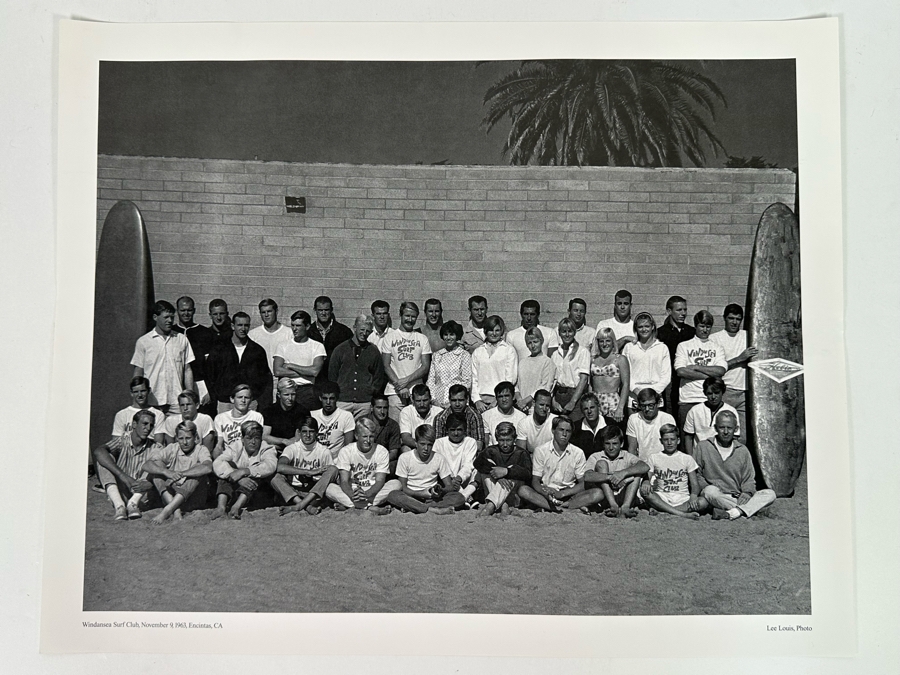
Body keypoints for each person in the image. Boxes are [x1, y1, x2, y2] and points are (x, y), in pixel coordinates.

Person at [694, 411, 776, 520]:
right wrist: (706, 487)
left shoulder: (742, 450)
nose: (726, 432)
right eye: (722, 427)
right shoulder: (703, 447)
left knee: (770, 494)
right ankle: (749, 510)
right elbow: (697, 475)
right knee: (710, 491)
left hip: (737, 496)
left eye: (730, 428)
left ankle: (734, 512)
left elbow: (749, 479)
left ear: (736, 429)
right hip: (714, 494)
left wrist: (747, 493)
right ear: (715, 428)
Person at [517, 416, 601, 513]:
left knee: (598, 493)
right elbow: (535, 480)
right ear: (553, 430)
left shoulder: (578, 452)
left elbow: (582, 483)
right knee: (523, 490)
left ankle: (556, 507)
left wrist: (563, 493)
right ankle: (564, 509)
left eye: (568, 431)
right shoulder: (540, 451)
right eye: (561, 430)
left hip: (569, 494)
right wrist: (545, 492)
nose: (564, 434)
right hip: (546, 493)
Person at [130, 300, 195, 414]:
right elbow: (138, 371)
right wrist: (138, 397)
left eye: (171, 317)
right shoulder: (144, 341)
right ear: (155, 317)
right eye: (166, 317)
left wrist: (189, 393)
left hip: (176, 401)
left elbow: (187, 369)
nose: (170, 320)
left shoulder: (181, 339)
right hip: (152, 401)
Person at [92, 409, 159, 520]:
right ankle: (120, 506)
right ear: (134, 424)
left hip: (141, 495)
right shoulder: (123, 441)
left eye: (151, 425)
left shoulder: (154, 446)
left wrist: (150, 484)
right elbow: (98, 451)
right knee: (105, 459)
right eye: (145, 424)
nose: (148, 428)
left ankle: (133, 504)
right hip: (121, 490)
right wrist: (123, 476)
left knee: (156, 459)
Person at [324, 418, 401, 513]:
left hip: (373, 491)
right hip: (353, 490)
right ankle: (370, 507)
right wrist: (352, 495)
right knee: (329, 488)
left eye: (371, 437)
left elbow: (380, 481)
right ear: (356, 436)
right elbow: (344, 481)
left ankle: (350, 505)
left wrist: (366, 494)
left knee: (396, 484)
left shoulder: (382, 451)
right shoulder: (346, 451)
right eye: (364, 436)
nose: (368, 440)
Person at [143, 421, 213, 524]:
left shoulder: (201, 449)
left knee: (198, 468)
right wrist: (165, 472)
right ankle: (175, 510)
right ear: (176, 438)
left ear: (195, 437)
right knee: (157, 465)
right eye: (181, 438)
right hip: (171, 497)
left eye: (188, 438)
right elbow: (146, 465)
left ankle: (166, 511)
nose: (184, 442)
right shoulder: (172, 448)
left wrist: (181, 474)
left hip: (193, 499)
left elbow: (207, 468)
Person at [202, 311, 271, 414]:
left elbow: (264, 378)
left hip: (249, 403)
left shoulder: (257, 351)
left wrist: (254, 396)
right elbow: (210, 374)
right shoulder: (220, 349)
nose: (243, 329)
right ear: (232, 326)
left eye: (246, 325)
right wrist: (217, 395)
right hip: (225, 402)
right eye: (239, 325)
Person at [387, 424, 465, 514]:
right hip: (411, 495)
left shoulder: (439, 458)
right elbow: (403, 487)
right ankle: (432, 509)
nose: (426, 448)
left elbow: (449, 486)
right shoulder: (405, 457)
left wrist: (441, 490)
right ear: (416, 443)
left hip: (432, 498)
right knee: (393, 495)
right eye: (422, 444)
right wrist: (420, 493)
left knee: (459, 498)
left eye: (429, 445)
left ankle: (418, 508)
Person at [271, 416, 339, 516]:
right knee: (274, 477)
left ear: (316, 433)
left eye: (311, 432)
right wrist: (308, 472)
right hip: (294, 492)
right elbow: (280, 467)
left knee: (333, 469)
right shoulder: (292, 448)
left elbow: (330, 476)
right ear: (299, 433)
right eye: (304, 432)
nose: (307, 435)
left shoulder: (324, 451)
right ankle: (304, 506)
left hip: (314, 494)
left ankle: (300, 505)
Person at [211, 420, 278, 520]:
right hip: (237, 487)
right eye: (249, 438)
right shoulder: (236, 446)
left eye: (257, 438)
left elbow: (270, 466)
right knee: (226, 469)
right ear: (242, 439)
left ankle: (236, 507)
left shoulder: (266, 448)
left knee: (256, 472)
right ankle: (221, 507)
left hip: (258, 492)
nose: (253, 442)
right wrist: (237, 476)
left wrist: (244, 471)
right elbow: (218, 462)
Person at [674, 310, 727, 430]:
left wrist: (697, 367)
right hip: (688, 399)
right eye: (702, 326)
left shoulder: (717, 348)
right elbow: (681, 371)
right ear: (696, 326)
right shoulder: (684, 346)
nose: (705, 330)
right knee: (687, 438)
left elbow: (721, 371)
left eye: (708, 326)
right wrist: (711, 377)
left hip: (709, 400)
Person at [641, 424, 708, 519]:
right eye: (665, 440)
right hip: (662, 497)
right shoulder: (654, 457)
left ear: (678, 440)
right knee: (644, 492)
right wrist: (646, 482)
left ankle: (663, 511)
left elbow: (695, 484)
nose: (669, 443)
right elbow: (647, 476)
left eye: (672, 439)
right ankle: (682, 514)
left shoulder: (686, 458)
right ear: (661, 441)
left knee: (703, 502)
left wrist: (693, 496)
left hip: (682, 497)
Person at [710, 303, 758, 436]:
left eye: (738, 319)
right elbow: (715, 369)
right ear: (724, 318)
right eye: (731, 318)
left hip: (745, 392)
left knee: (742, 436)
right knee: (722, 432)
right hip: (725, 390)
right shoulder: (715, 338)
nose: (734, 322)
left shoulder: (749, 336)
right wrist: (739, 358)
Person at [380, 301, 432, 421]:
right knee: (396, 428)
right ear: (401, 315)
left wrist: (406, 381)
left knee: (417, 426)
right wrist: (400, 386)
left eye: (413, 317)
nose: (410, 319)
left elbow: (425, 366)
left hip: (417, 392)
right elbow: (386, 365)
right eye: (407, 316)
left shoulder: (422, 338)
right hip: (394, 392)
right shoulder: (389, 338)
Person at [328, 314, 386, 420]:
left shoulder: (373, 351)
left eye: (368, 331)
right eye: (362, 329)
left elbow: (378, 376)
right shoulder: (340, 349)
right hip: (343, 401)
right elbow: (332, 376)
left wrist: (371, 391)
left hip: (364, 402)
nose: (364, 334)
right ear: (355, 328)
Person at [583, 426, 647, 518]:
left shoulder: (626, 455)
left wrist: (622, 474)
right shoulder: (596, 456)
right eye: (607, 443)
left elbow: (644, 466)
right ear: (603, 444)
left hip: (624, 495)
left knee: (636, 471)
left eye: (615, 443)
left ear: (621, 444)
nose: (611, 447)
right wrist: (611, 477)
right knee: (601, 464)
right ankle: (613, 505)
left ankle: (625, 507)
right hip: (605, 497)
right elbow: (587, 476)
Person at [474, 422, 532, 517]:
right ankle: (503, 505)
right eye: (501, 440)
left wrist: (507, 472)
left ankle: (491, 506)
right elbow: (477, 463)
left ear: (514, 439)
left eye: (508, 440)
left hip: (513, 495)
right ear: (496, 439)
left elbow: (527, 474)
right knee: (485, 472)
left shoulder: (522, 453)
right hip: (495, 489)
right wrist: (497, 476)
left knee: (513, 469)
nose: (505, 444)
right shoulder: (491, 450)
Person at [273, 310, 327, 411]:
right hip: (286, 389)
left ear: (307, 327)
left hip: (307, 392)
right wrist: (306, 372)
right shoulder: (282, 345)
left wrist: (290, 365)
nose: (294, 329)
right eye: (292, 325)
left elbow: (315, 371)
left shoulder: (317, 346)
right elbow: (277, 371)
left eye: (298, 326)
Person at [621, 312, 671, 415]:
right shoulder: (629, 347)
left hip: (656, 397)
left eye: (647, 326)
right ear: (636, 329)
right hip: (634, 397)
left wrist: (652, 394)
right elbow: (625, 374)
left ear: (652, 327)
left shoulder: (662, 348)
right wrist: (636, 390)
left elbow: (666, 376)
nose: (644, 329)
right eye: (640, 327)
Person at [471, 315, 517, 414]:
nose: (494, 333)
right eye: (491, 330)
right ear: (486, 331)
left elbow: (510, 378)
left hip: (500, 400)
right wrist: (477, 400)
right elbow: (473, 378)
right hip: (481, 401)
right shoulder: (478, 351)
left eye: (497, 330)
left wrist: (498, 400)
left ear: (502, 331)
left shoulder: (508, 350)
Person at [683, 376, 740, 456]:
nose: (713, 397)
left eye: (717, 393)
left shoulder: (731, 411)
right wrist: (691, 460)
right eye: (710, 393)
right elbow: (688, 437)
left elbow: (735, 438)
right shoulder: (695, 410)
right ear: (705, 393)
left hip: (722, 456)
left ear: (722, 392)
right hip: (700, 455)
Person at [248, 298, 292, 403]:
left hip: (283, 380)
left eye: (269, 311)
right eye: (263, 312)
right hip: (262, 383)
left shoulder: (288, 333)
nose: (266, 315)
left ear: (276, 312)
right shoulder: (253, 334)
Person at [656, 296, 695, 415]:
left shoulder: (691, 332)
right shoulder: (660, 333)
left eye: (685, 310)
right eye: (679, 310)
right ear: (669, 311)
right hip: (668, 382)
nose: (683, 313)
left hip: (687, 380)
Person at [549, 318, 590, 421]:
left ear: (574, 332)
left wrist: (572, 402)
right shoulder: (555, 354)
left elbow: (583, 380)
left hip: (574, 395)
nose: (567, 334)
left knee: (574, 428)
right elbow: (552, 380)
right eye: (564, 331)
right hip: (558, 395)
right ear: (559, 333)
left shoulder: (582, 352)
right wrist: (553, 400)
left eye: (570, 331)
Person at [433, 413, 479, 505]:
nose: (456, 433)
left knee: (477, 471)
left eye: (459, 430)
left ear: (465, 430)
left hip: (464, 480)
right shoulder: (439, 443)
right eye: (452, 430)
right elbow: (438, 465)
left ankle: (464, 496)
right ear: (447, 431)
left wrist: (458, 479)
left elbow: (468, 465)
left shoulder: (470, 442)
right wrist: (451, 480)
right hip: (446, 480)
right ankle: (468, 499)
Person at [590, 327, 630, 429]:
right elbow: (590, 383)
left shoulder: (620, 359)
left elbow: (626, 384)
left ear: (613, 342)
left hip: (613, 402)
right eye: (601, 341)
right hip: (596, 400)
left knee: (613, 431)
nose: (605, 344)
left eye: (608, 341)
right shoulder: (593, 359)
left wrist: (620, 407)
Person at [426, 320, 472, 409]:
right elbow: (431, 380)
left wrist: (452, 403)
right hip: (438, 403)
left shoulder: (464, 355)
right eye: (446, 335)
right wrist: (434, 400)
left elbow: (467, 382)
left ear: (457, 336)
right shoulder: (437, 355)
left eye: (452, 334)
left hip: (457, 403)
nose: (448, 337)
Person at [212, 383, 265, 460]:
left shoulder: (256, 416)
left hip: (249, 457)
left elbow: (256, 443)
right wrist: (218, 461)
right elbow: (219, 445)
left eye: (246, 398)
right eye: (240, 397)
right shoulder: (220, 418)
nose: (243, 400)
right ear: (232, 399)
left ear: (250, 400)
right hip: (229, 456)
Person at [308, 295, 354, 384]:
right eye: (320, 310)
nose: (323, 313)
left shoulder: (344, 332)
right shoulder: (309, 332)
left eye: (326, 310)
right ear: (315, 311)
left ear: (331, 310)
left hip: (337, 379)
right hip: (314, 380)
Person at [110, 376, 166, 447]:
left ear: (149, 391)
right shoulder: (121, 415)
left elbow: (158, 443)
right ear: (131, 393)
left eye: (143, 391)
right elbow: (116, 443)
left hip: (149, 452)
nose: (140, 395)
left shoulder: (158, 414)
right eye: (136, 392)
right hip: (126, 452)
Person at [626, 388, 677, 463]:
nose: (647, 409)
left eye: (650, 405)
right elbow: (632, 449)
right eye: (643, 406)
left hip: (664, 462)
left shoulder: (667, 418)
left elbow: (671, 446)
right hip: (642, 463)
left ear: (658, 403)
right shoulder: (633, 419)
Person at [259, 378, 310, 450]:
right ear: (279, 395)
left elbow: (298, 437)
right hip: (273, 447)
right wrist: (283, 441)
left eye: (293, 394)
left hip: (294, 448)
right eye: (286, 395)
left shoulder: (302, 411)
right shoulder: (269, 411)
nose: (290, 398)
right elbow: (265, 436)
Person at [311, 381, 356, 460]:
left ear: (337, 398)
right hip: (315, 459)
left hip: (336, 460)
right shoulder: (313, 415)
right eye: (325, 398)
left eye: (331, 398)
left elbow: (348, 447)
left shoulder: (346, 416)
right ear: (320, 398)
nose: (328, 402)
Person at [433, 384, 484, 452]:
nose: (457, 404)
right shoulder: (441, 418)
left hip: (468, 455)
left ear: (467, 399)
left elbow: (479, 445)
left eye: (460, 400)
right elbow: (438, 445)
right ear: (449, 400)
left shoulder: (474, 416)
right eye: (454, 400)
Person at [516, 327, 556, 413]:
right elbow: (517, 384)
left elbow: (545, 387)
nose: (533, 345)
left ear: (541, 341)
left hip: (538, 409)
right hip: (522, 408)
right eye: (529, 343)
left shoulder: (547, 362)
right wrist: (520, 400)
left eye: (535, 342)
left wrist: (526, 400)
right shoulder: (522, 362)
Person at [398, 384, 443, 452]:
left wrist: (429, 446)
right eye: (418, 401)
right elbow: (405, 437)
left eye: (425, 400)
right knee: (405, 449)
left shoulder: (439, 412)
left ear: (430, 398)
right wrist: (422, 446)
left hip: (434, 447)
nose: (422, 404)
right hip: (414, 446)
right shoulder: (406, 412)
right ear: (412, 400)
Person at [481, 381, 526, 447]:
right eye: (500, 396)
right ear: (496, 398)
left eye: (507, 396)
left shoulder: (522, 417)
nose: (504, 399)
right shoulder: (485, 416)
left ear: (513, 397)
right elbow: (486, 444)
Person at [516, 389, 556, 454]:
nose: (544, 408)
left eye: (547, 405)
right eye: (541, 405)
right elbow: (521, 452)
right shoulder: (524, 423)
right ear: (534, 403)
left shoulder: (555, 421)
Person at [367, 394, 401, 466]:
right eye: (379, 408)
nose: (382, 411)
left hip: (383, 461)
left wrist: (378, 462)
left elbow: (393, 453)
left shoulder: (393, 425)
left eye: (385, 408)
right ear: (372, 408)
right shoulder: (362, 422)